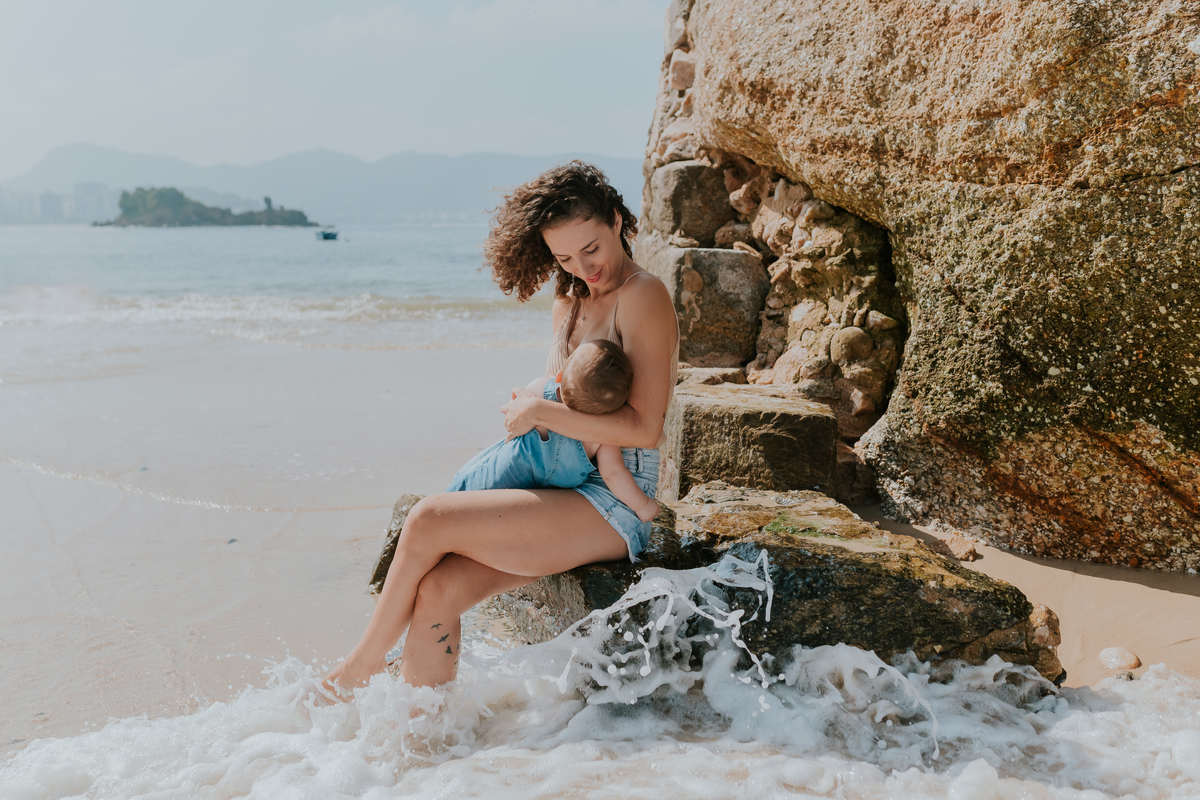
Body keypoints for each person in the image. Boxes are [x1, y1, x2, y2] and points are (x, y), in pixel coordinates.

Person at [323, 161, 678, 692]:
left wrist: (538, 414)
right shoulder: (568, 302)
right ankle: (423, 732)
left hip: (612, 499)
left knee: (427, 519)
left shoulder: (642, 295)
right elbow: (566, 396)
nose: (584, 268)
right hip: (560, 477)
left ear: (617, 221)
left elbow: (646, 428)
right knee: (439, 589)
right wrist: (535, 406)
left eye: (592, 249)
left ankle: (354, 672)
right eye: (564, 258)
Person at [446, 338, 661, 525]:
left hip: (504, 472)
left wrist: (519, 400)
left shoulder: (541, 389)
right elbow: (613, 474)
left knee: (462, 495)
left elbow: (513, 413)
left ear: (559, 376)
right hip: (533, 496)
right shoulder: (601, 437)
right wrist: (642, 505)